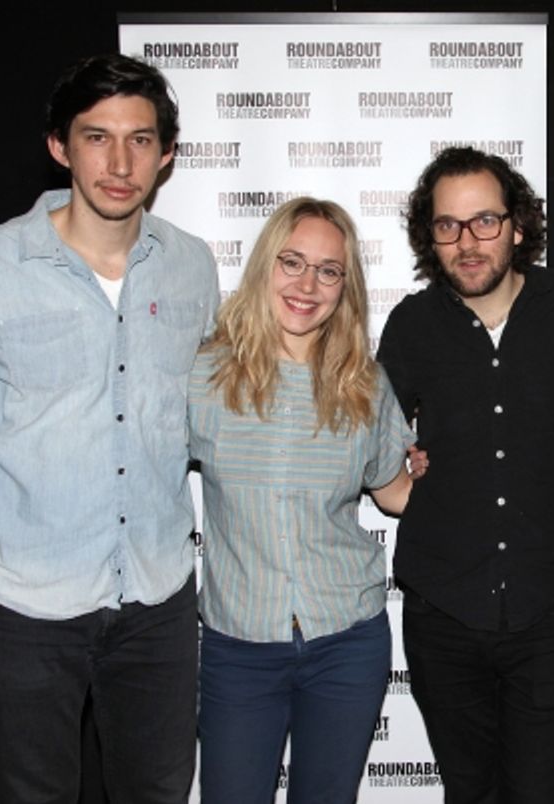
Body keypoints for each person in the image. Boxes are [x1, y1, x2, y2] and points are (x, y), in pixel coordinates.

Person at [0, 53, 218, 802]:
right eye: (96, 137)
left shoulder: (192, 266)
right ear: (59, 146)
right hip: (23, 607)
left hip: (158, 600)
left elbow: (210, 416)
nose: (120, 163)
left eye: (140, 139)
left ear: (167, 155)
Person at [376, 146, 554, 803]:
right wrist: (399, 480)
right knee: (469, 793)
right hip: (443, 611)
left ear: (518, 225)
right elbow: (367, 437)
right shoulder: (412, 324)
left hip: (551, 610)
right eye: (447, 226)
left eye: (484, 221)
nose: (467, 242)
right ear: (430, 237)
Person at [188, 197, 415, 803]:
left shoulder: (365, 386)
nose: (307, 285)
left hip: (347, 642)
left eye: (328, 270)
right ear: (265, 265)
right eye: (291, 262)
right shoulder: (204, 377)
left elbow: (395, 493)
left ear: (346, 287)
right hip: (238, 648)